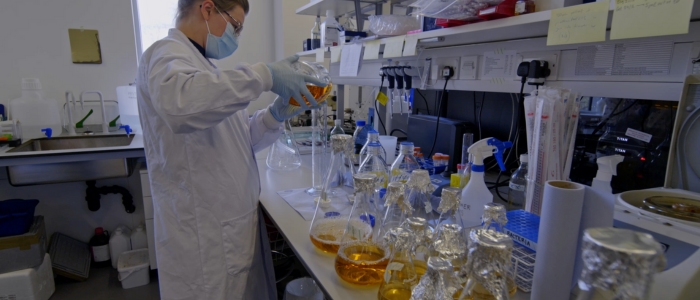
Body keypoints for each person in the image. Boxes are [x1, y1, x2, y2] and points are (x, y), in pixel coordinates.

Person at [136, 0, 326, 299]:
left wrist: (273, 116)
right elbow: (179, 106)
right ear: (207, 8)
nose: (236, 36)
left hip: (228, 225)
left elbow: (240, 141)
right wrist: (264, 75)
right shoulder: (164, 54)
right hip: (204, 236)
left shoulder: (205, 70)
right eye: (236, 26)